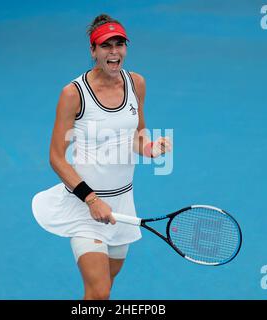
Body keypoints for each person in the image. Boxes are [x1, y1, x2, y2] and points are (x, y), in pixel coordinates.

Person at [32, 14, 172, 300]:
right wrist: (91, 199)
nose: (114, 51)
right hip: (85, 206)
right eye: (106, 45)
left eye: (119, 44)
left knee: (103, 287)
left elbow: (137, 132)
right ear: (93, 51)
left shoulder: (137, 84)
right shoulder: (73, 94)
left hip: (122, 207)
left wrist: (149, 147)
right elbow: (57, 158)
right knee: (99, 292)